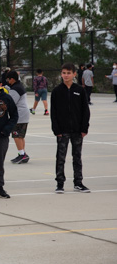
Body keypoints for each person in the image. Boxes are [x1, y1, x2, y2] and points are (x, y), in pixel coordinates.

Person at [50, 63, 91, 194]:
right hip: (62, 131)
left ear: (74, 74)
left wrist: (84, 128)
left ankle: (78, 183)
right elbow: (54, 112)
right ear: (61, 74)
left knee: (77, 157)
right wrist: (56, 130)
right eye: (64, 73)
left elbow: (86, 110)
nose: (66, 75)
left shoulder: (80, 90)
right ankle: (60, 183)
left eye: (68, 73)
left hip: (78, 130)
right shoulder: (57, 91)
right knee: (61, 157)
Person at [6, 70, 31, 164]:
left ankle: (22, 155)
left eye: (8, 79)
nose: (8, 81)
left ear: (12, 79)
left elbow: (11, 102)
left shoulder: (15, 89)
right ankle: (23, 153)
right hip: (23, 114)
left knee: (16, 135)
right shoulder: (18, 86)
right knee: (20, 136)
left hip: (19, 115)